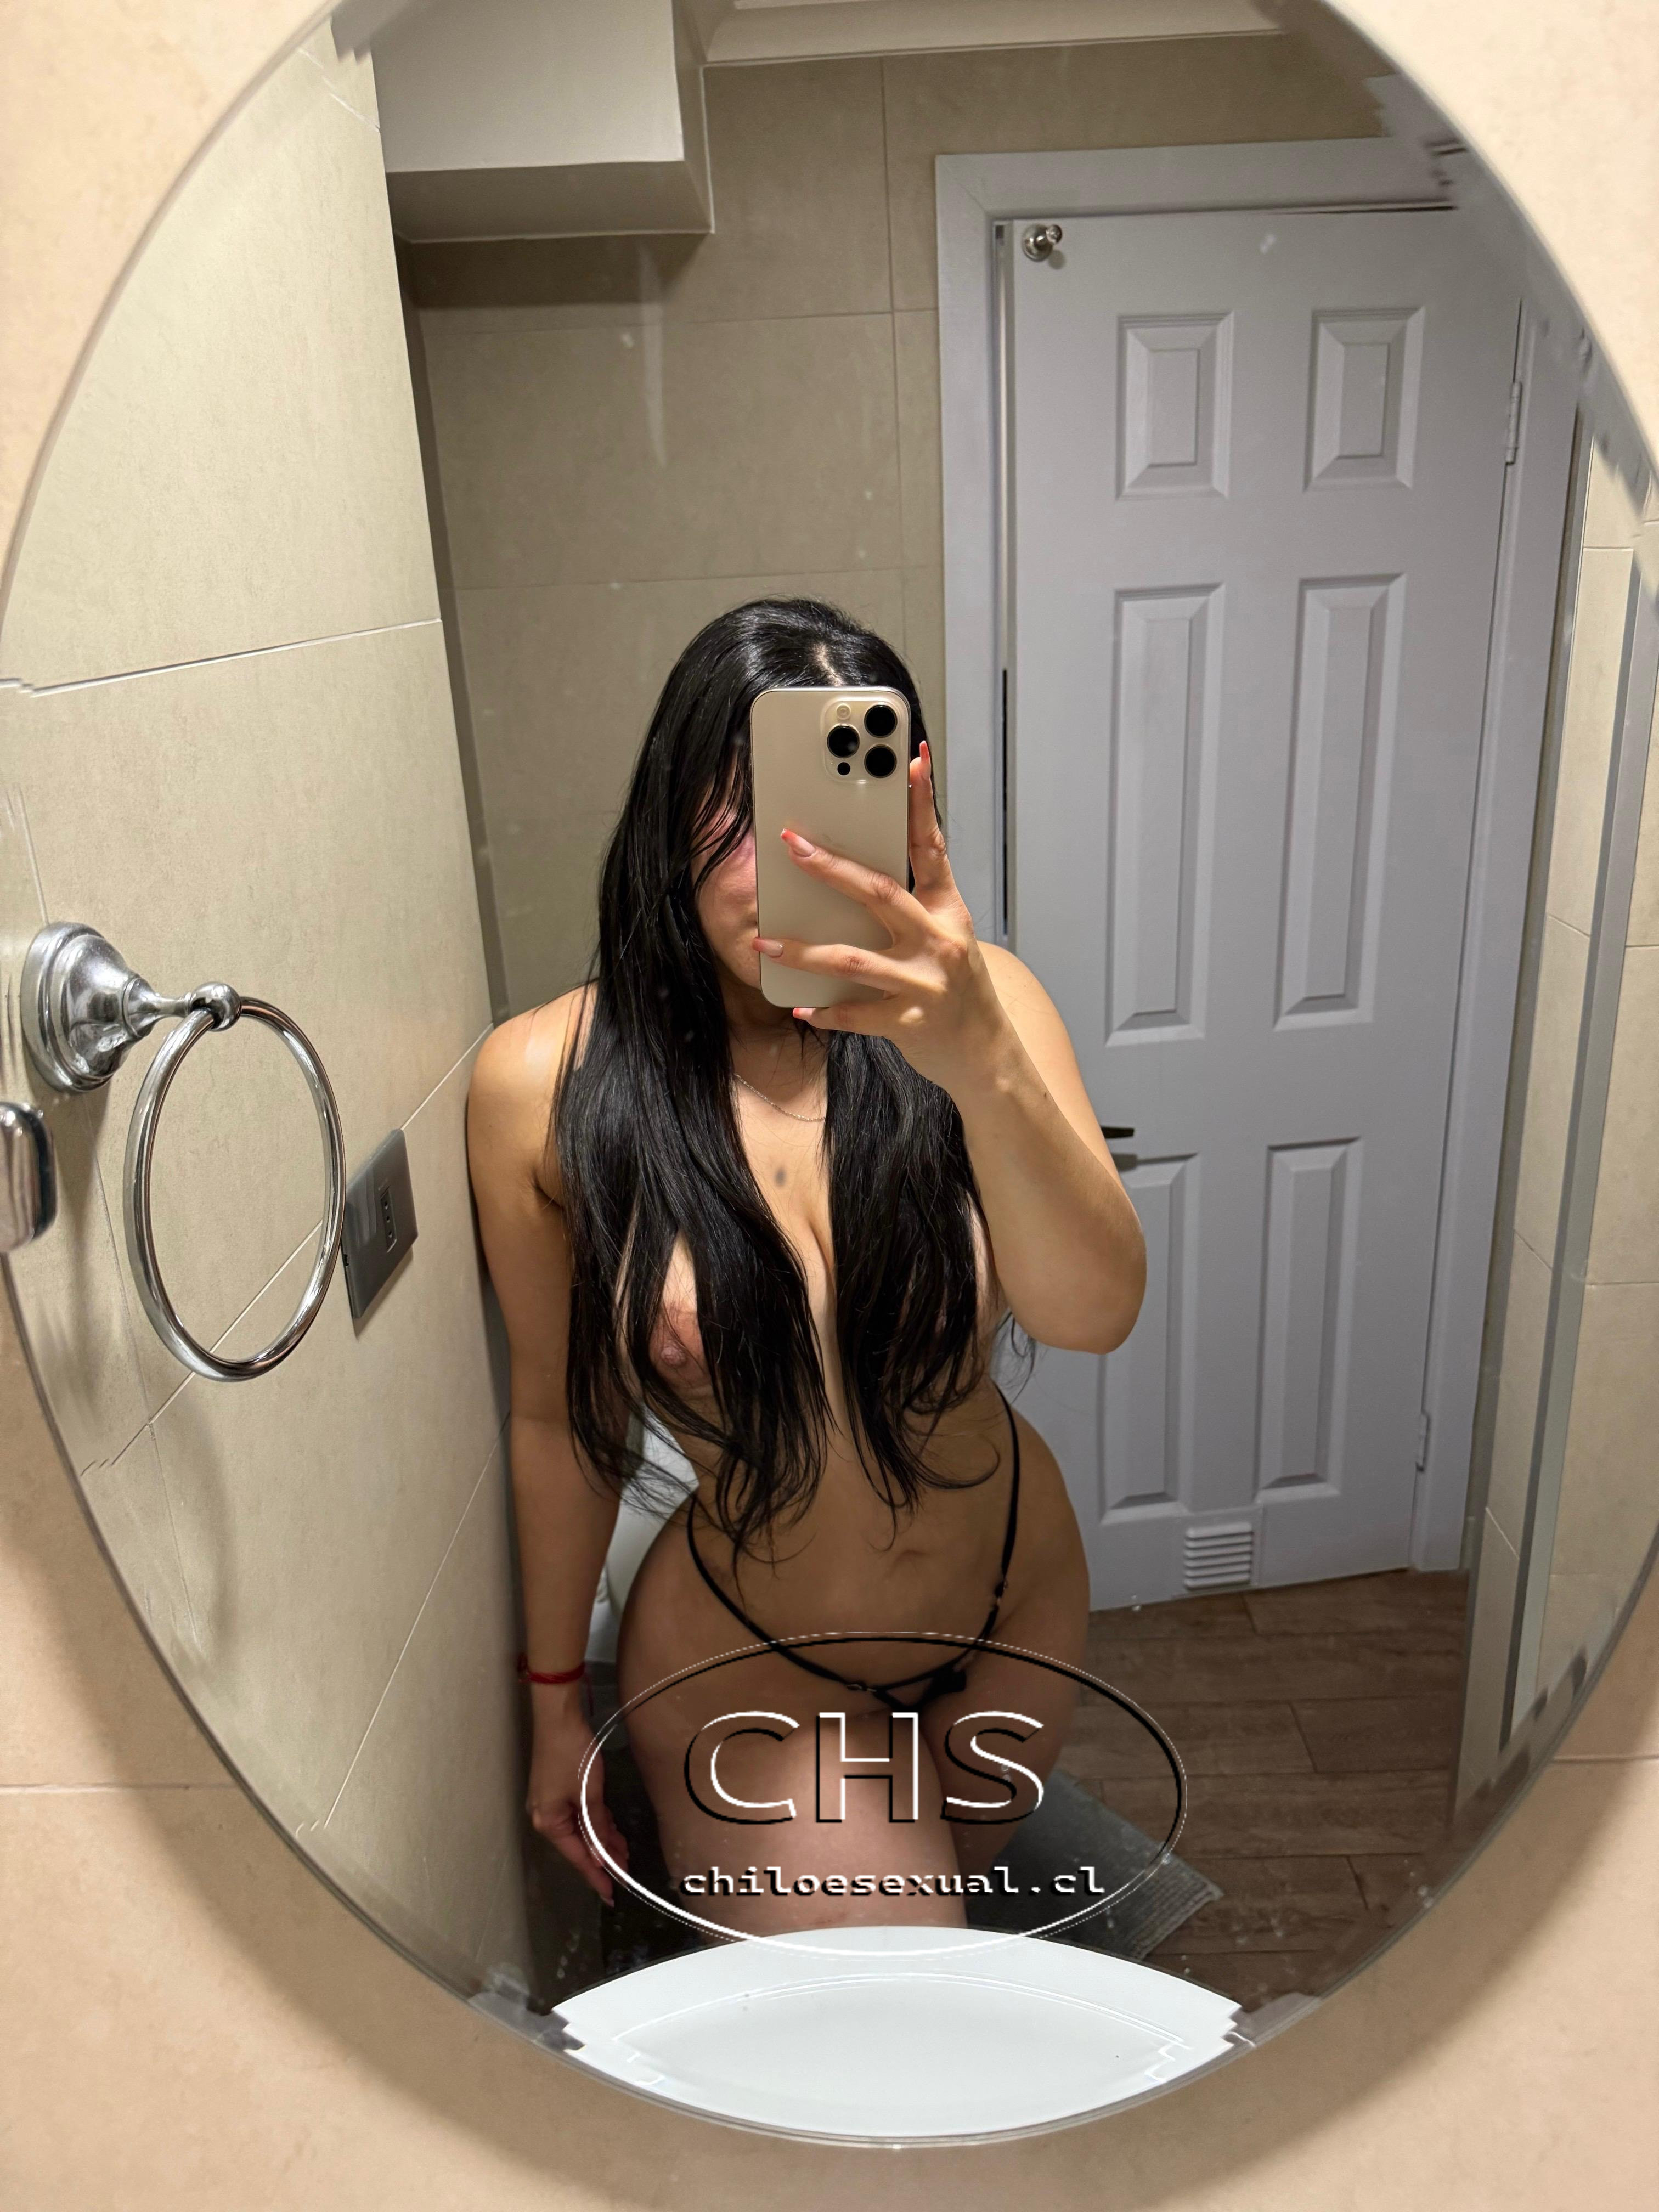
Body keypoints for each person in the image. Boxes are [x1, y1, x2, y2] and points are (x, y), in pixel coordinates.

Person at [466, 599, 1145, 1937]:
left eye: (824, 808)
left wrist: (977, 1058)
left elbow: (1094, 1313)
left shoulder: (984, 1010)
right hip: (757, 1671)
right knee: (911, 2017)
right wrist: (553, 1705)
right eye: (733, 812)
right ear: (666, 819)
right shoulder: (544, 1084)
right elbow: (559, 1420)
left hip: (1017, 1610)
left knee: (948, 1934)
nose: (775, 862)